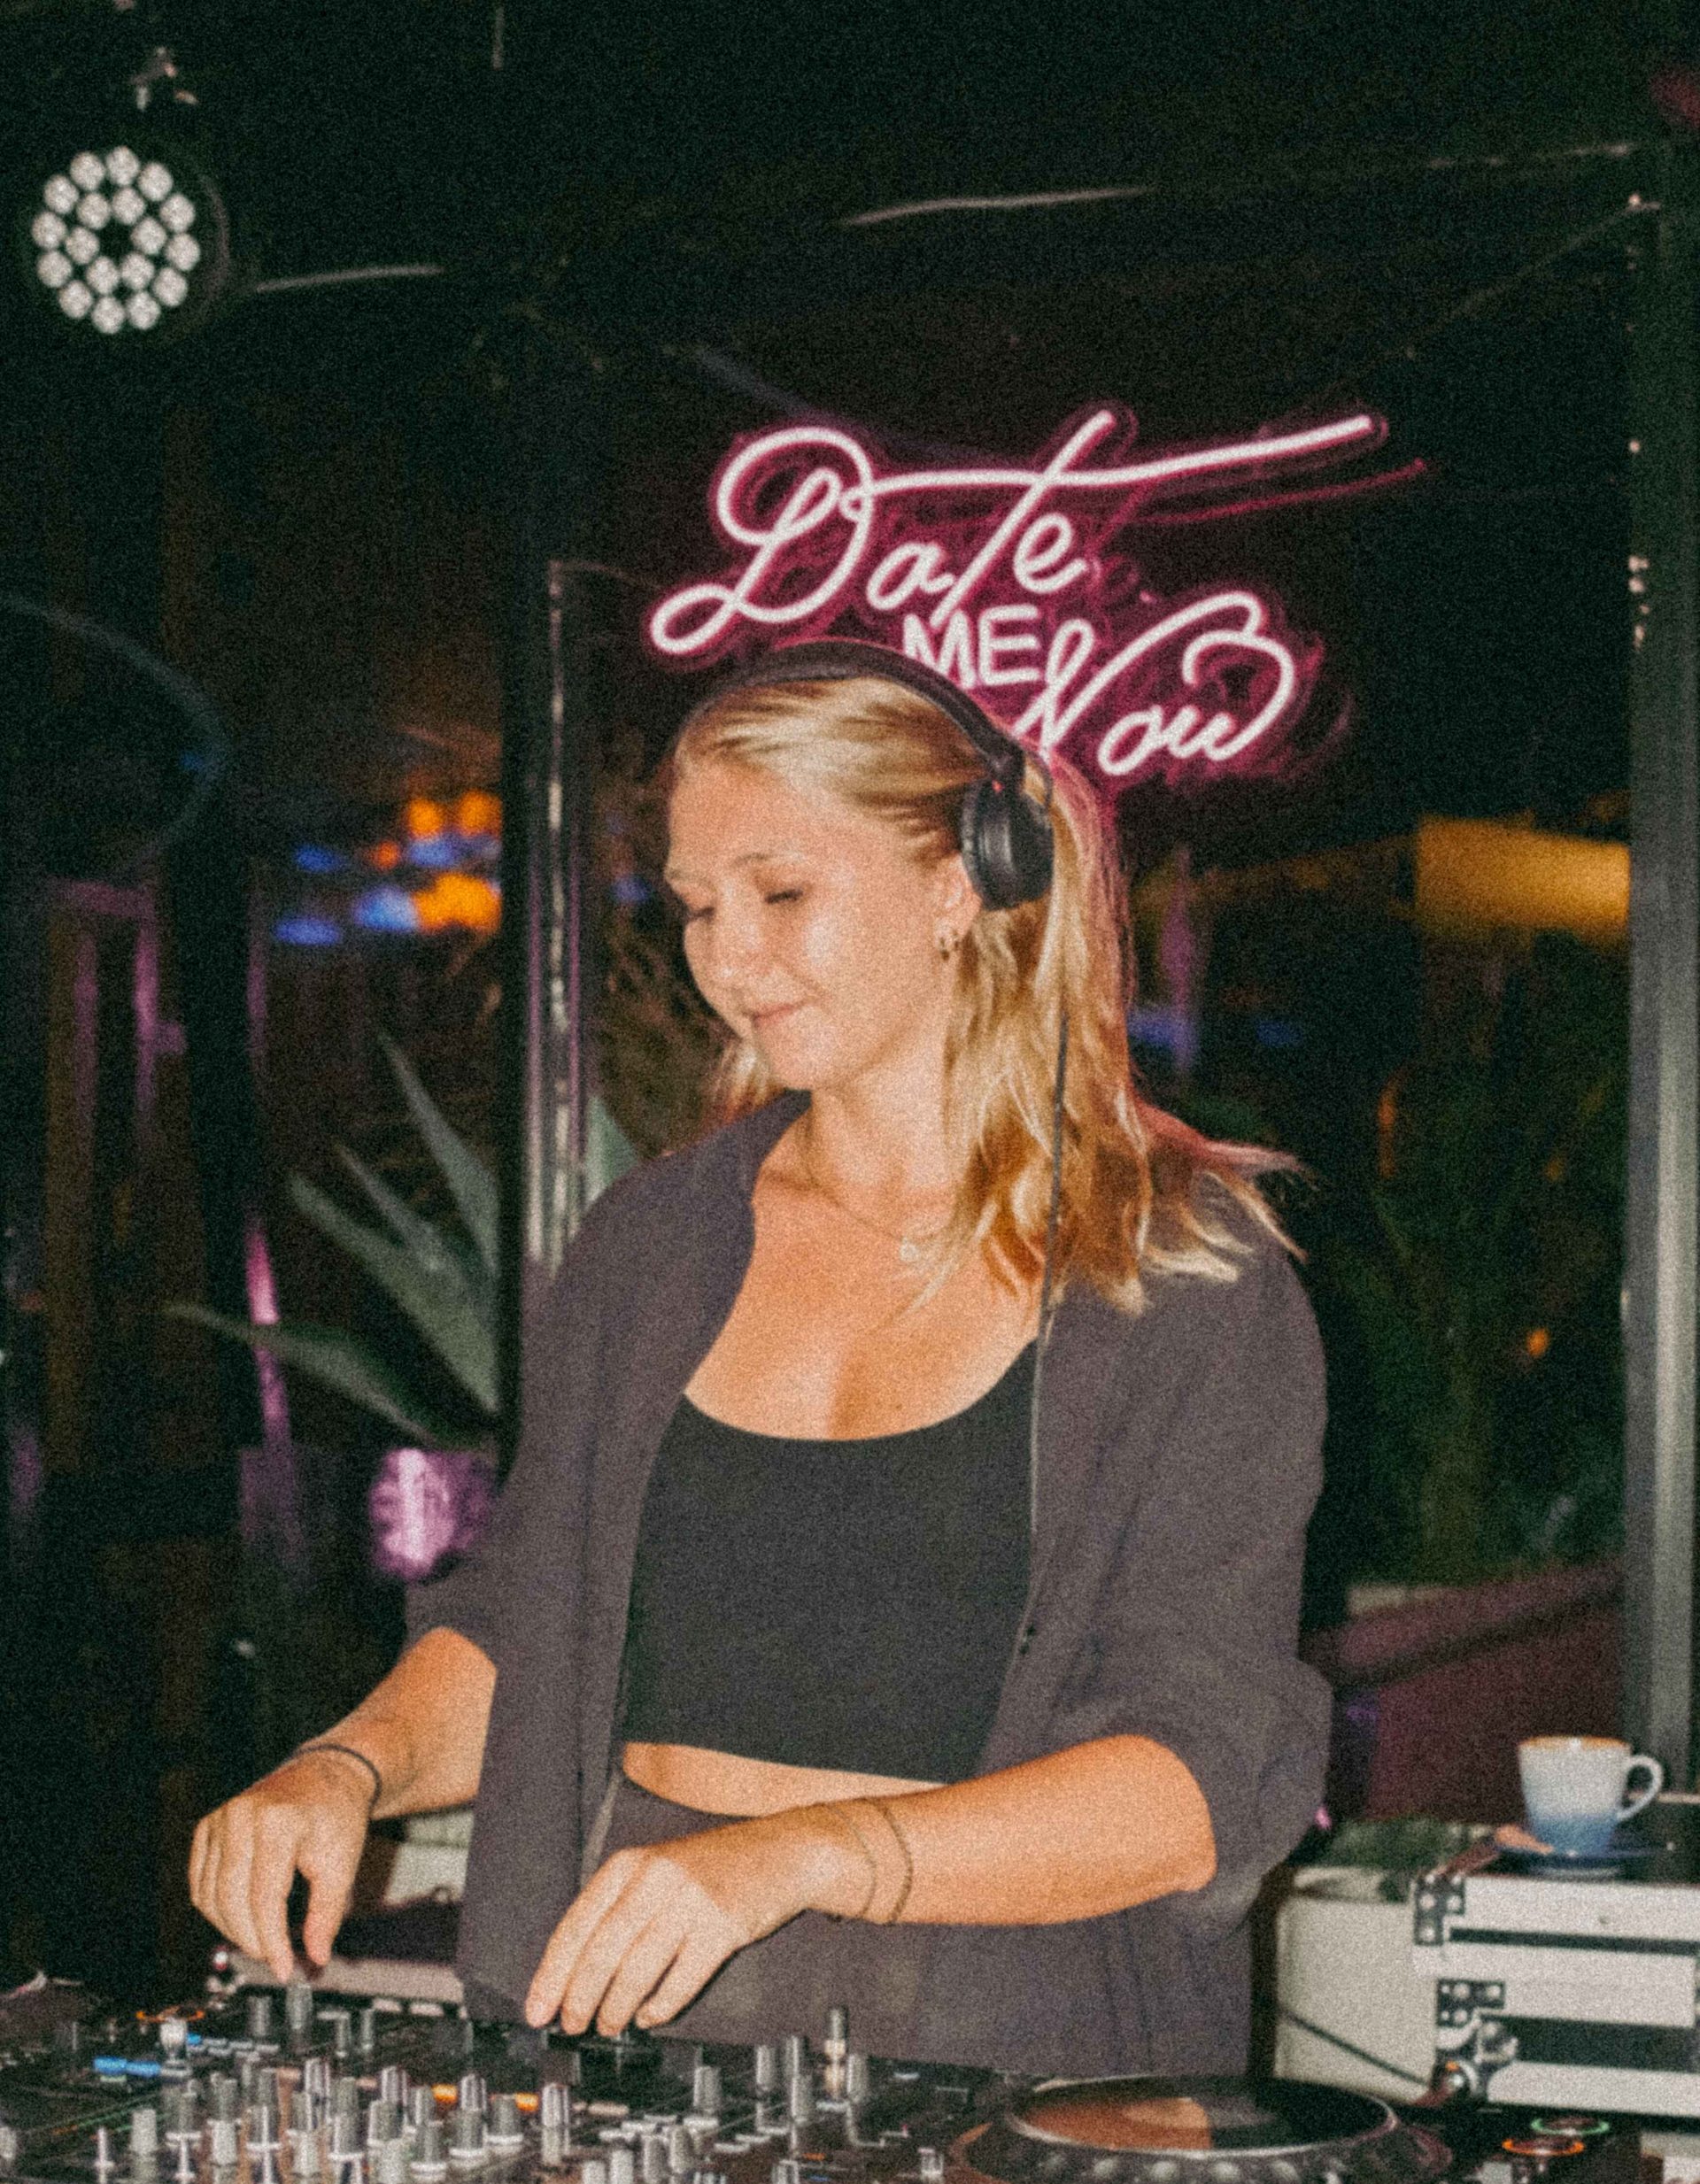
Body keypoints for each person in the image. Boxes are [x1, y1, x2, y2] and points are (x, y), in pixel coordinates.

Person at [189, 644, 1330, 2077]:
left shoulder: (1178, 1277)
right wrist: (345, 1765)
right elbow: (535, 1621)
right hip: (632, 2032)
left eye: (782, 894)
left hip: (1016, 2060)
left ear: (960, 883)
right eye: (699, 908)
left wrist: (800, 1858)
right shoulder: (654, 1243)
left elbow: (1198, 1779)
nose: (729, 960)